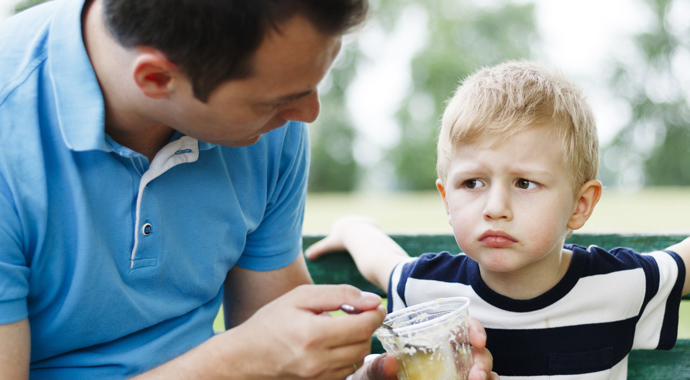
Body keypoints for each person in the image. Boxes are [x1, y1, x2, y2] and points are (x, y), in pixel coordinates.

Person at [0, 0, 497, 379]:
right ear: (156, 78)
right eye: (281, 98)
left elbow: (283, 344)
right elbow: (253, 356)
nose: (308, 115)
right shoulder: (10, 129)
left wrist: (370, 370)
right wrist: (232, 361)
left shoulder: (267, 130)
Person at [306, 61, 690, 379]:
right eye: (472, 183)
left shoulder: (619, 284)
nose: (495, 207)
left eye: (525, 182)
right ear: (447, 199)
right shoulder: (428, 292)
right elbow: (384, 263)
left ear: (580, 204)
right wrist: (354, 229)